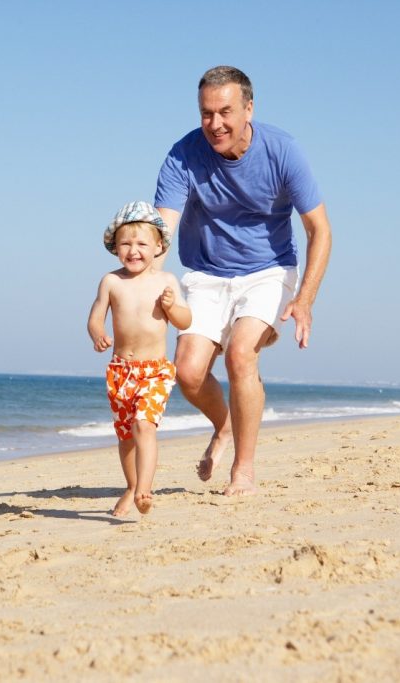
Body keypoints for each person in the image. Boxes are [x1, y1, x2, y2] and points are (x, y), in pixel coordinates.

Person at [154, 66, 332, 497]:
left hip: (268, 271)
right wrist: (141, 288)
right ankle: (226, 424)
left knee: (239, 356)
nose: (215, 124)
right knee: (189, 373)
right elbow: (162, 231)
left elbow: (320, 231)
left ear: (249, 108)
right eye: (206, 113)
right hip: (206, 274)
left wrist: (305, 300)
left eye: (226, 112)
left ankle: (243, 472)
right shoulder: (183, 155)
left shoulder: (283, 151)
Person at [87, 201, 192, 516]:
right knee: (126, 436)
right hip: (120, 371)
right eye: (126, 244)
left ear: (158, 246)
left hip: (154, 372)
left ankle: (144, 490)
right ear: (116, 248)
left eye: (142, 244)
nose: (134, 250)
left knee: (144, 425)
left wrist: (172, 307)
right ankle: (131, 486)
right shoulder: (111, 282)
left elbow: (185, 322)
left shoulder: (166, 282)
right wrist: (98, 335)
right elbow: (94, 318)